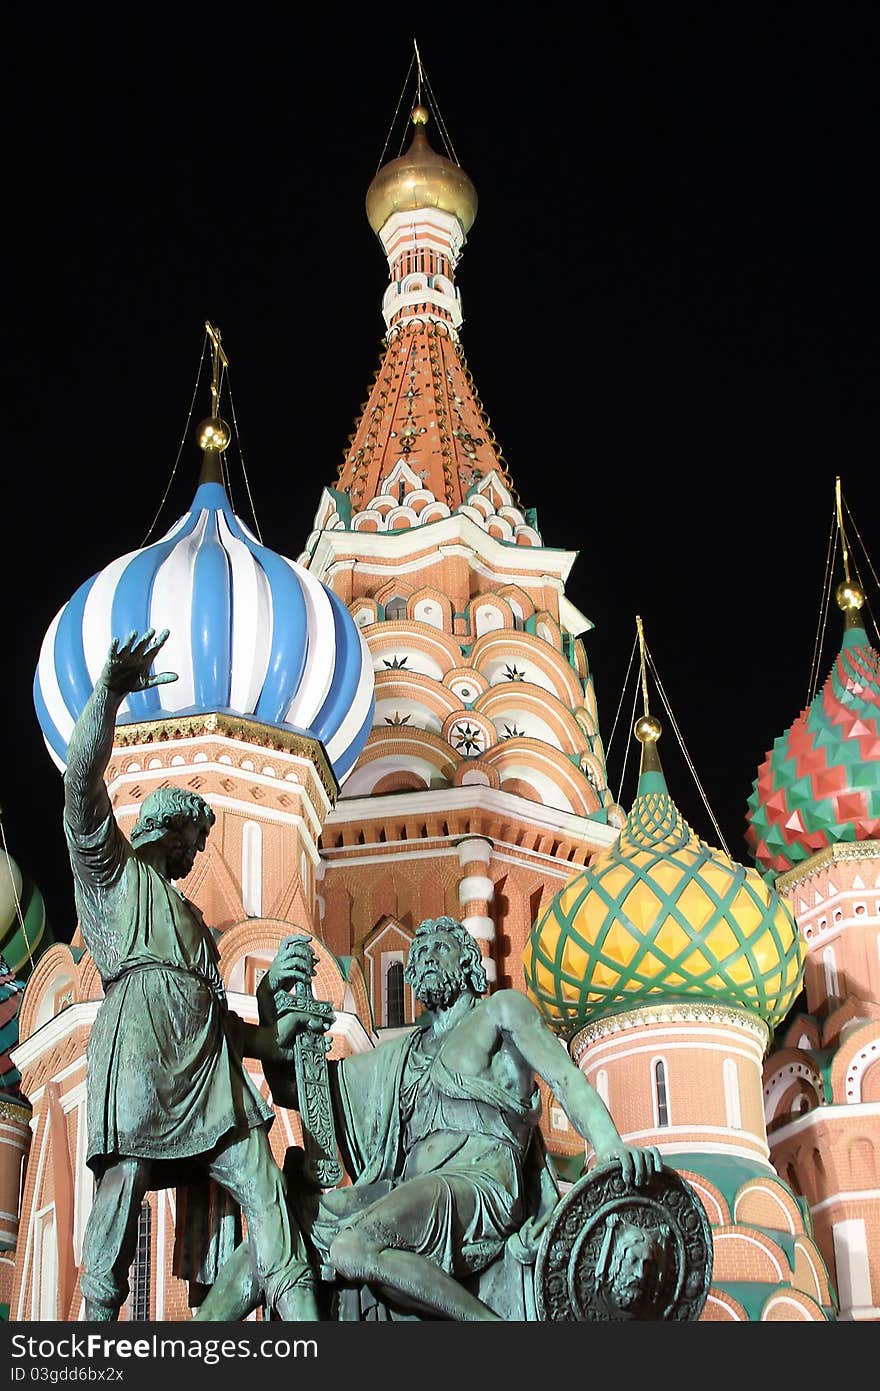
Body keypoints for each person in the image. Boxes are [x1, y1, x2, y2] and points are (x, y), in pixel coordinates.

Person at [195, 914, 661, 1321]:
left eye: (442, 947)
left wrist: (611, 1145)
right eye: (420, 953)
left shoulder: (500, 1012)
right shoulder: (402, 1055)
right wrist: (271, 1001)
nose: (428, 957)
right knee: (279, 1224)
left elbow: (565, 1079)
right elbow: (301, 1088)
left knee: (353, 1248)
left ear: (468, 963)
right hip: (403, 1191)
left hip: (477, 1188)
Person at [65, 629, 321, 1321]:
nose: (196, 855)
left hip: (208, 1069)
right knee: (124, 1185)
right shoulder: (113, 876)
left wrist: (276, 1035)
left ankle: (305, 1326)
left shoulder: (192, 926)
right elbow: (80, 787)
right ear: (164, 831)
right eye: (192, 841)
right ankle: (95, 1337)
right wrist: (110, 694)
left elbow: (222, 1023)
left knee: (263, 1181)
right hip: (142, 1047)